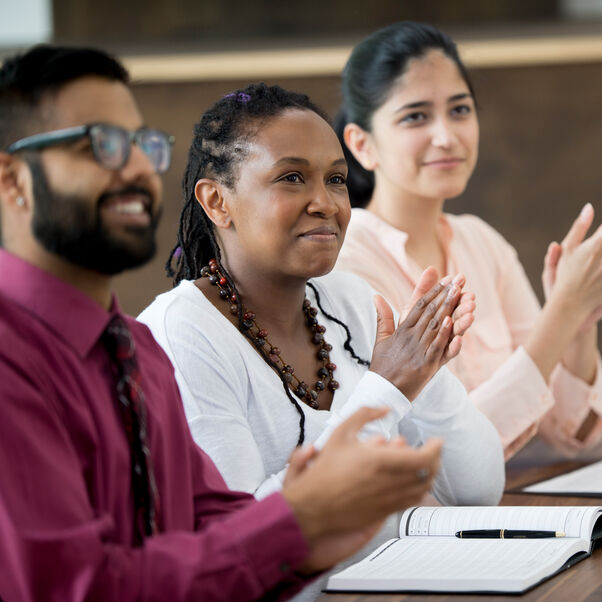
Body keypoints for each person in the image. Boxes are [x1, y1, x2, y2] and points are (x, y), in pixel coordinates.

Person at [0, 45, 447, 602]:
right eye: (102, 146)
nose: (139, 167)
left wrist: (328, 513)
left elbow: (216, 530)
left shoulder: (132, 348)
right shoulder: (14, 359)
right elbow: (75, 588)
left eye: (143, 145)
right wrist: (302, 520)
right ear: (13, 179)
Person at [138, 82, 504, 598]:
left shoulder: (350, 299)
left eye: (336, 179)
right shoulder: (182, 335)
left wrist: (427, 370)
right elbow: (243, 547)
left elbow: (477, 491)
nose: (326, 203)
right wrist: (388, 386)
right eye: (291, 178)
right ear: (218, 201)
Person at [333, 21, 602, 460]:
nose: (447, 136)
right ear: (363, 145)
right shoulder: (345, 263)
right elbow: (439, 458)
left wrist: (578, 324)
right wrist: (563, 311)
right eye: (416, 116)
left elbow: (573, 432)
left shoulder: (483, 243)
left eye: (459, 110)